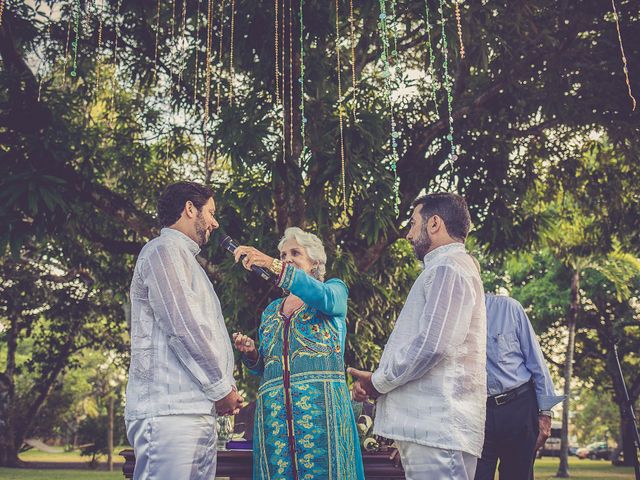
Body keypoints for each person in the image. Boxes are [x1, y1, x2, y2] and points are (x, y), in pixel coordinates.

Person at [349, 192, 487, 480]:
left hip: (437, 428)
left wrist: (379, 382)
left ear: (434, 223)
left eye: (413, 223)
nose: (409, 234)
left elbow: (431, 345)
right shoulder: (446, 268)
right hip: (433, 429)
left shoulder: (449, 267)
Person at [125, 181, 243, 480]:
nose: (215, 222)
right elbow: (184, 326)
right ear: (190, 209)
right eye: (211, 212)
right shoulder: (162, 251)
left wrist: (223, 389)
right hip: (169, 412)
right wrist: (221, 388)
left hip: (194, 410)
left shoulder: (185, 260)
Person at [231, 227, 365, 480]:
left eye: (295, 253)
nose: (286, 259)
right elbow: (265, 367)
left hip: (323, 418)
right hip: (275, 420)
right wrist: (251, 354)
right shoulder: (271, 311)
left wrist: (271, 264)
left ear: (315, 262)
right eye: (282, 255)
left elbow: (326, 298)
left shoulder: (334, 291)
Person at [474, 293, 564, 480]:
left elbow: (537, 362)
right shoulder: (450, 316)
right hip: (477, 414)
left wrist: (545, 414)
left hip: (519, 408)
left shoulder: (509, 308)